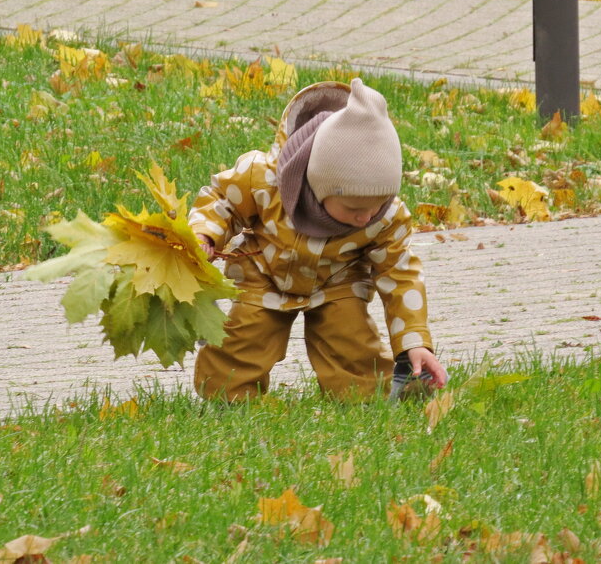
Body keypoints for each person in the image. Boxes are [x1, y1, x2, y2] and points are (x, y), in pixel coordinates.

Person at [189, 78, 448, 402]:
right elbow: (221, 201)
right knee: (242, 343)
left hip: (337, 281)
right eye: (354, 208)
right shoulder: (265, 179)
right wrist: (205, 234)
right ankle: (225, 401)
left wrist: (414, 341)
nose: (366, 217)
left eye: (377, 205)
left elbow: (400, 274)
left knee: (351, 345)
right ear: (319, 184)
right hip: (264, 272)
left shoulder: (385, 217)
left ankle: (364, 400)